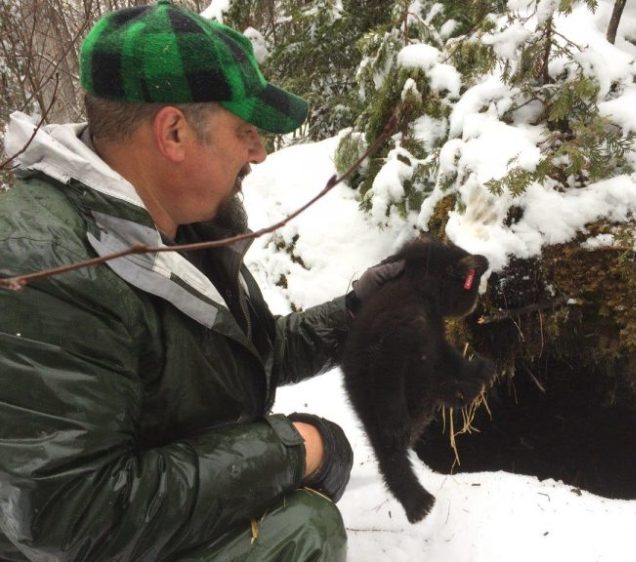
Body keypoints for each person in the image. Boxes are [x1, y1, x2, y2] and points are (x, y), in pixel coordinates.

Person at [0, 1, 402, 560]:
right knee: (303, 526)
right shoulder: (44, 263)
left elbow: (236, 359)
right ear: (174, 132)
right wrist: (294, 448)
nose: (259, 152)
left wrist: (359, 309)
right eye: (246, 130)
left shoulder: (177, 228)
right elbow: (68, 517)